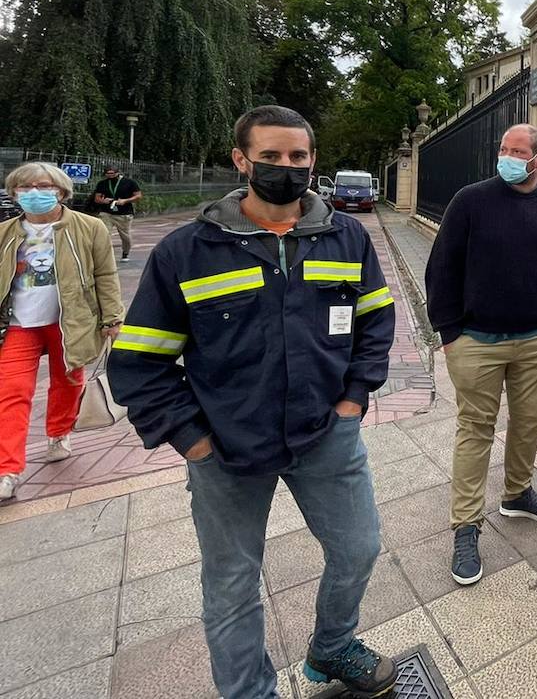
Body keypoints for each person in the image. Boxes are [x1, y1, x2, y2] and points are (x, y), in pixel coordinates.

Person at [109, 105, 398, 698]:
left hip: (325, 433)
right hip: (227, 450)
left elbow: (375, 322)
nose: (285, 168)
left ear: (313, 160)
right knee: (234, 583)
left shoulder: (346, 237)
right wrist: (193, 440)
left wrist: (353, 401)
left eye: (297, 156)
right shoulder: (187, 252)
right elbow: (138, 362)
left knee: (359, 546)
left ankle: (333, 646)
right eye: (270, 156)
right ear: (241, 160)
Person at [425, 124, 537, 587]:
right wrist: (449, 331)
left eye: (518, 151)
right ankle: (466, 526)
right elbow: (442, 267)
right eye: (503, 149)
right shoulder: (470, 201)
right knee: (475, 430)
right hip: (476, 340)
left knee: (528, 422)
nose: (508, 157)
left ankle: (517, 493)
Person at [0, 163, 124, 502]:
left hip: (71, 321)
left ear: (61, 191)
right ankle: (7, 469)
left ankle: (58, 432)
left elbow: (105, 275)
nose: (33, 193)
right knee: (10, 393)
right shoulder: (5, 232)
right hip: (18, 325)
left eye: (43, 186)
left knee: (68, 380)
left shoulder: (89, 227)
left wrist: (112, 319)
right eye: (25, 187)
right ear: (14, 194)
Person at [91, 165, 142, 263]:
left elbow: (138, 196)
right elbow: (97, 198)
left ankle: (125, 252)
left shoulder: (129, 183)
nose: (110, 175)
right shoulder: (102, 183)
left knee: (125, 236)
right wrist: (103, 201)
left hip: (124, 213)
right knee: (104, 234)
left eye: (112, 173)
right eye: (107, 173)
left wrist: (125, 201)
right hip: (106, 213)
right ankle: (103, 255)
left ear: (118, 173)